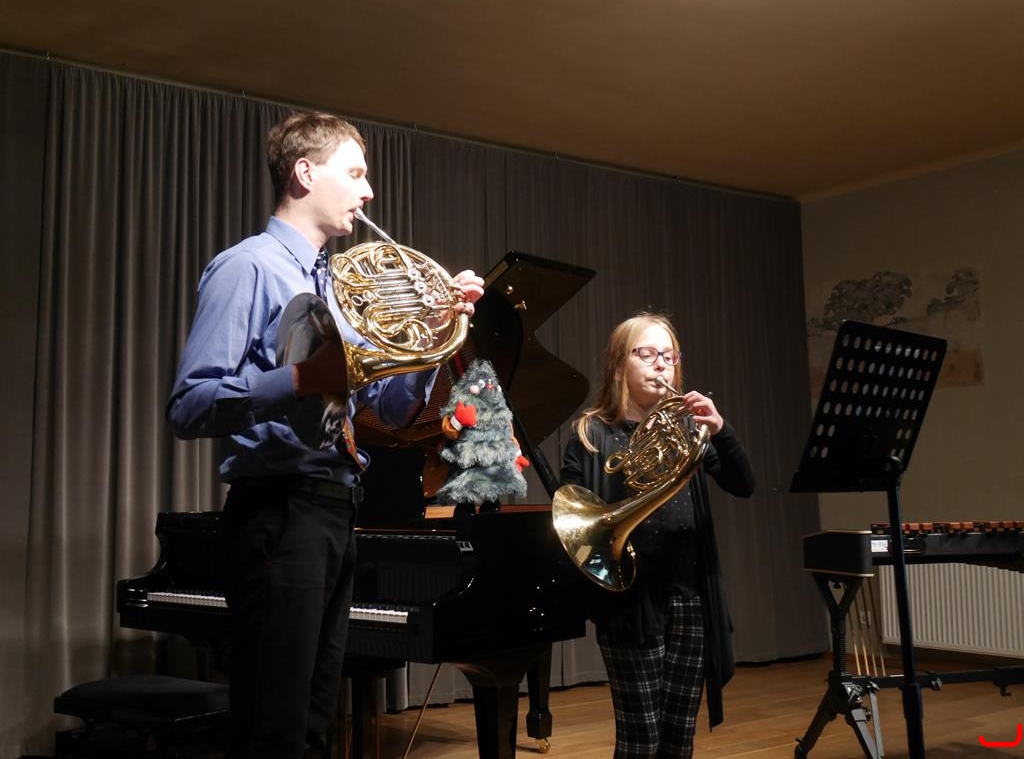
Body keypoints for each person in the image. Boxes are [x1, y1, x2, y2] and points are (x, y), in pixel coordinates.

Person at [166, 111, 484, 759]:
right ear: (305, 174)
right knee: (273, 729)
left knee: (313, 726)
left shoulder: (338, 290)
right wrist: (300, 378)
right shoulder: (248, 268)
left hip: (336, 514)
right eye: (356, 173)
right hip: (278, 512)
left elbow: (389, 412)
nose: (369, 191)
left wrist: (431, 336)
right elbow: (189, 405)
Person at [559, 312, 755, 759]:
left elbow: (744, 485)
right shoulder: (592, 434)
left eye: (669, 355)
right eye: (646, 354)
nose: (660, 364)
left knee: (678, 737)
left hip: (690, 597)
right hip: (630, 603)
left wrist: (721, 431)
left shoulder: (689, 429)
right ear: (618, 364)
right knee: (640, 741)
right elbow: (577, 518)